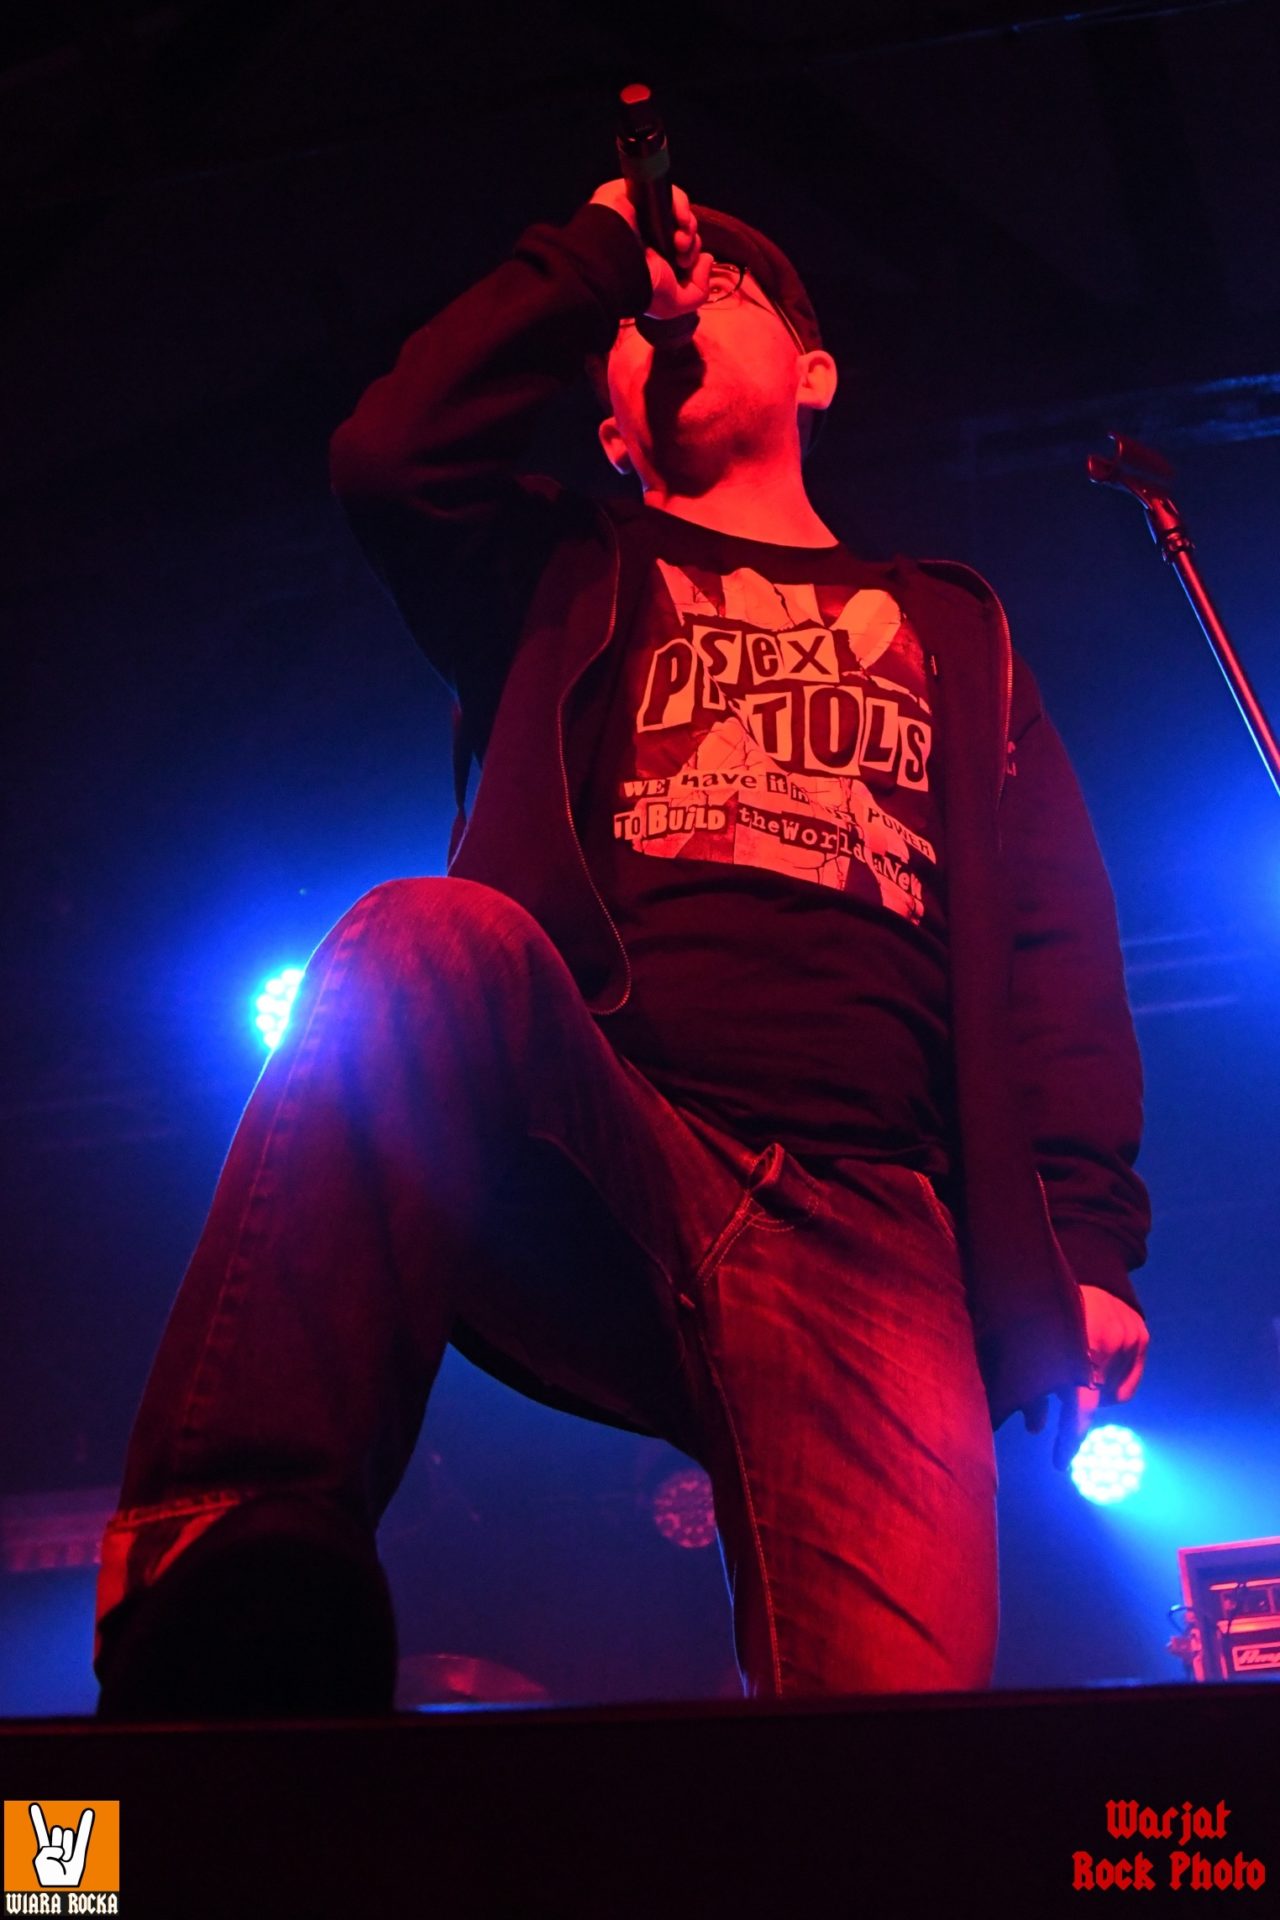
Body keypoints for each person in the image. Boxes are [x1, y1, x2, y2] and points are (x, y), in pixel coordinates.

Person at [93, 177, 1151, 1718]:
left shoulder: (952, 629)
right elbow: (388, 458)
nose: (680, 301)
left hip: (880, 1226)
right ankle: (231, 1564)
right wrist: (593, 255)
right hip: (616, 1143)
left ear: (814, 371)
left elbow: (1057, 944)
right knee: (420, 939)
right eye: (648, 312)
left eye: (724, 289)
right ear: (609, 429)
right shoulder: (560, 569)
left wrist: (1089, 1244)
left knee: (894, 1763)